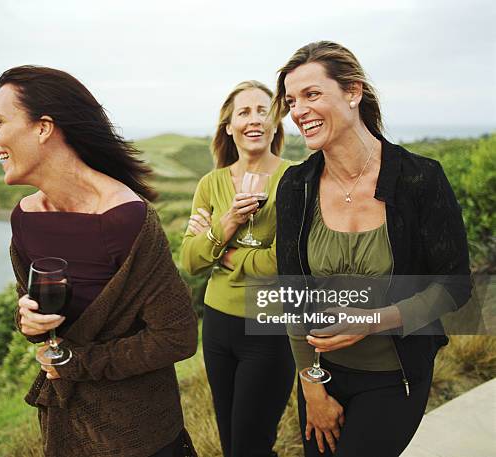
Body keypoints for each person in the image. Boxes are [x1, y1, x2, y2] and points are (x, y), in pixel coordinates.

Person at [0, 65, 198, 457]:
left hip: (140, 434)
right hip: (67, 431)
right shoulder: (25, 219)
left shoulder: (127, 220)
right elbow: (33, 311)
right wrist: (28, 321)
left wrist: (76, 361)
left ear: (43, 127)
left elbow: (177, 336)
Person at [272, 41, 471, 457]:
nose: (298, 110)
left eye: (312, 94)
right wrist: (312, 388)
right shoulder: (296, 185)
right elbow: (292, 294)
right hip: (321, 378)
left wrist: (375, 320)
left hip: (394, 378)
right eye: (292, 100)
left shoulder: (420, 178)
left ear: (352, 92)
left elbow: (455, 284)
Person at [180, 80, 296, 457]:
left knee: (251, 445)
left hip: (270, 326)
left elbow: (286, 263)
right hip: (216, 327)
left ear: (276, 121)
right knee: (233, 445)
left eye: (263, 110)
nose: (254, 119)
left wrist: (222, 252)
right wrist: (227, 222)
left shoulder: (296, 178)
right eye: (243, 113)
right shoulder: (211, 184)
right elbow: (191, 261)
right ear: (229, 127)